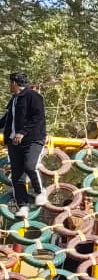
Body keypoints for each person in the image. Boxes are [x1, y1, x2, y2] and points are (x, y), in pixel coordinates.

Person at [3, 73, 47, 211]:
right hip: (14, 143)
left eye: (10, 83)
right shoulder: (14, 99)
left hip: (33, 139)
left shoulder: (33, 96)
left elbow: (38, 117)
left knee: (29, 166)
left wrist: (22, 132)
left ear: (14, 83)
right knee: (17, 176)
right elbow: (7, 119)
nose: (9, 86)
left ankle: (40, 191)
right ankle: (23, 206)